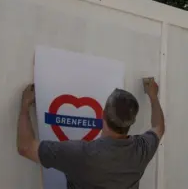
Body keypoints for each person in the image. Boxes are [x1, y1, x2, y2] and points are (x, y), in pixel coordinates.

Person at [16, 79, 165, 189]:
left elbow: (25, 147)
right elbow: (159, 127)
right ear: (131, 122)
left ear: (103, 114)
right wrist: (153, 96)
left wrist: (24, 106)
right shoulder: (141, 150)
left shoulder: (80, 154)